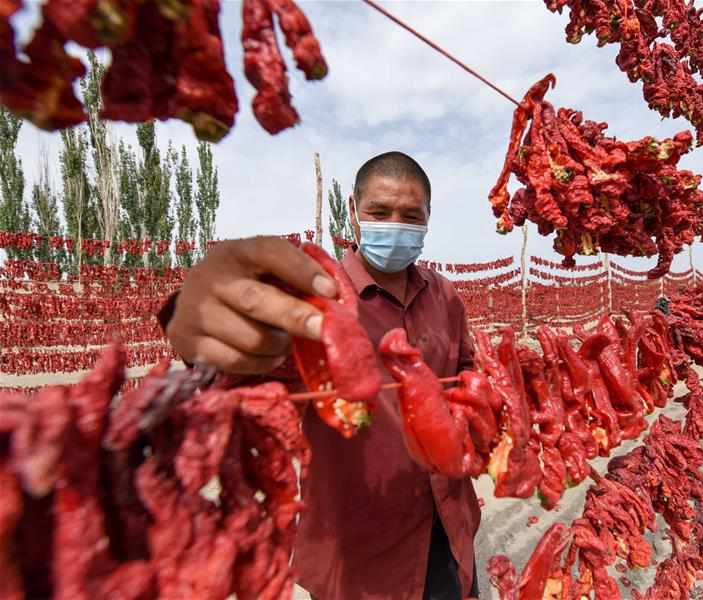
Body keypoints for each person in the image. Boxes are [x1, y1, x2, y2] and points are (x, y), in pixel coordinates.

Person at [157, 152, 481, 600]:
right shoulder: (311, 298)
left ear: (428, 218)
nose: (395, 224)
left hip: (449, 529)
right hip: (358, 553)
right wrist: (202, 317)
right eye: (380, 213)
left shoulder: (444, 296)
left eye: (411, 215)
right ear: (352, 211)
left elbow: (466, 375)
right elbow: (232, 365)